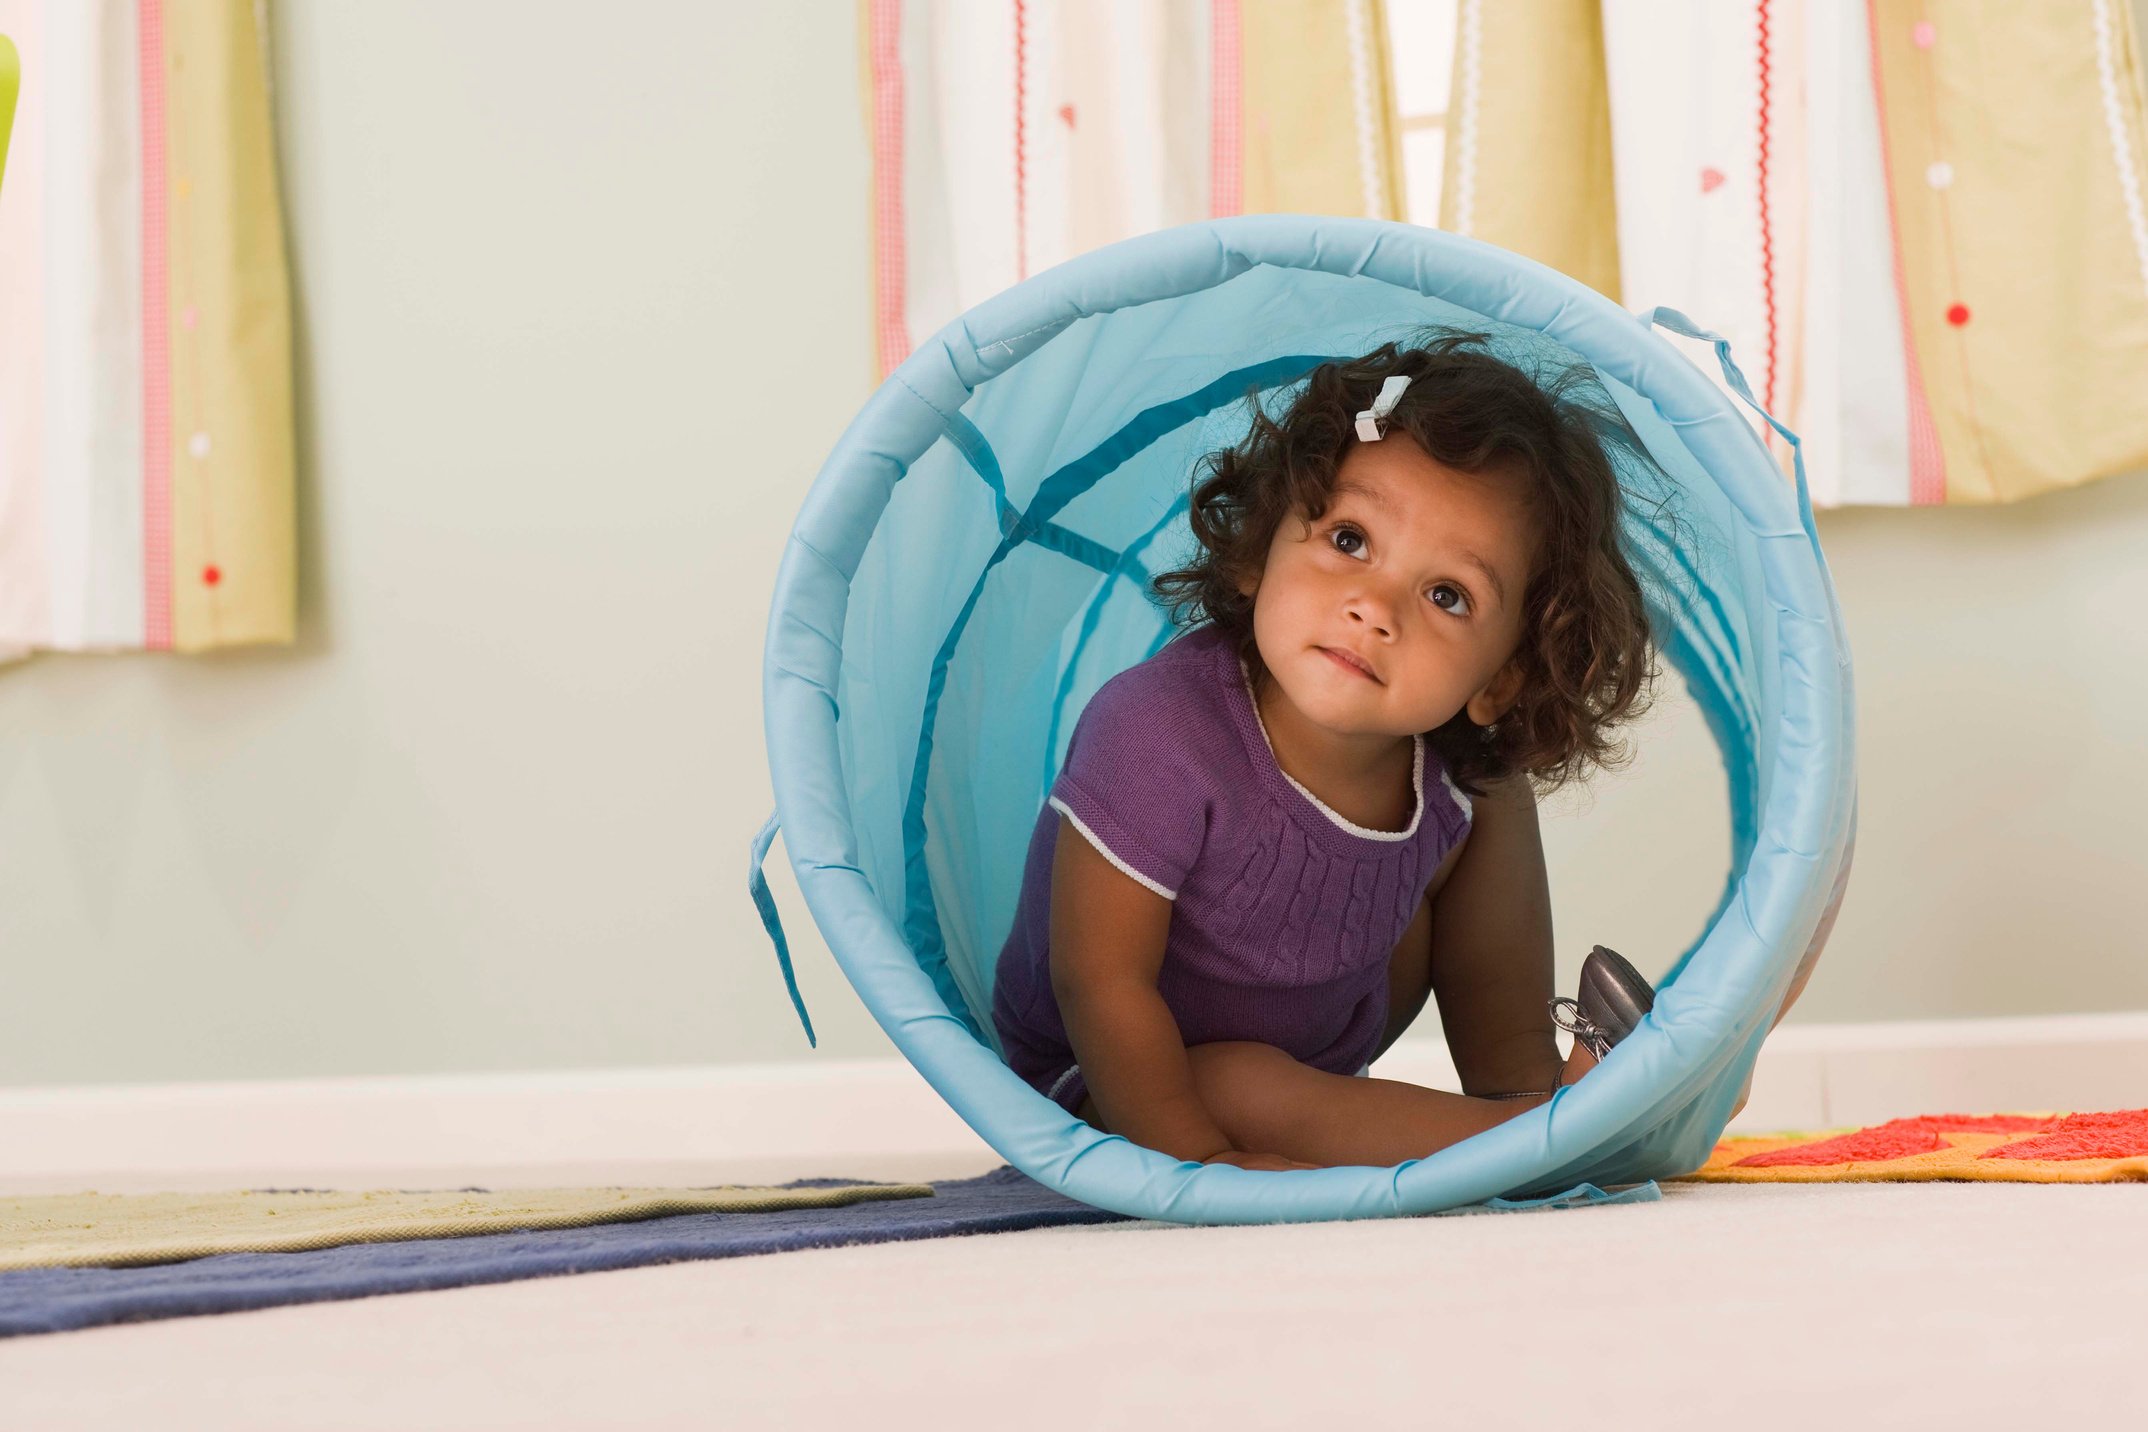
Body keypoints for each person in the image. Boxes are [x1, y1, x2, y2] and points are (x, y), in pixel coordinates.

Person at [990, 329, 1672, 1171]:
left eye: (1447, 595)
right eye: (1350, 541)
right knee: (1241, 1084)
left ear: (1501, 676)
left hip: (1322, 1022)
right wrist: (1197, 1172)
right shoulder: (1156, 731)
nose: (1374, 608)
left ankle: (1526, 1095)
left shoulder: (1452, 768)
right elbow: (1096, 984)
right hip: (1109, 1080)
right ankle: (1562, 1143)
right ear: (1259, 547)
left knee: (1488, 785)